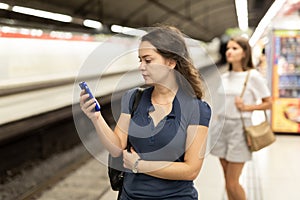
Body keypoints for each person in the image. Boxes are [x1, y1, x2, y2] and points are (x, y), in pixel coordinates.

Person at [80, 25, 212, 200]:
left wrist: (139, 165)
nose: (141, 67)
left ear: (171, 63)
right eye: (140, 60)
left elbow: (191, 170)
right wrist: (96, 117)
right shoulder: (134, 98)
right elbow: (116, 148)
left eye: (148, 60)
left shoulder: (197, 109)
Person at [209, 36, 272, 200]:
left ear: (244, 53)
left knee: (232, 182)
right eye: (228, 48)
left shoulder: (253, 77)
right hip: (220, 128)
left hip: (240, 129)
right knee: (226, 180)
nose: (229, 51)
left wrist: (247, 107)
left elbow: (269, 103)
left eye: (235, 48)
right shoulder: (224, 77)